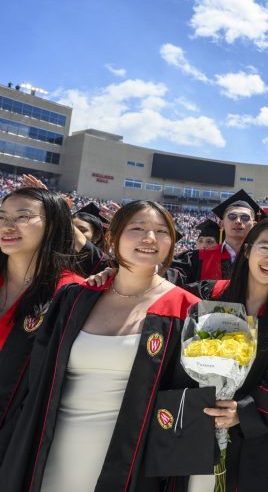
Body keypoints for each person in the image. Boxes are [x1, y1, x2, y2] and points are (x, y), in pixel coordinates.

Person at [1, 200, 201, 491]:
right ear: (112, 238)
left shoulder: (187, 310)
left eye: (161, 231)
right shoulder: (76, 298)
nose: (149, 238)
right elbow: (37, 380)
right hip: (53, 449)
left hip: (132, 463)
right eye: (137, 229)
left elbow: (188, 409)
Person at [183, 217, 268, 491]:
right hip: (200, 427)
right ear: (247, 250)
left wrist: (242, 412)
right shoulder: (210, 294)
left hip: (261, 443)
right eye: (265, 248)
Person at [0, 188, 82, 461]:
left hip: (17, 439)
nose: (7, 226)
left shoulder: (72, 293)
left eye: (22, 217)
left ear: (53, 225)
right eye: (2, 217)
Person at [172, 190, 262, 283]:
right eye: (232, 216)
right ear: (222, 224)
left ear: (254, 225)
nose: (238, 221)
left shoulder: (263, 259)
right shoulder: (197, 258)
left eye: (245, 217)